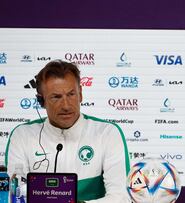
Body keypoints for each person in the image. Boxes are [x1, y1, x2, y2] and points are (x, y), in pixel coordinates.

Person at [5, 60, 131, 203]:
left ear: (81, 94)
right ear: (41, 101)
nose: (66, 105)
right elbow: (17, 197)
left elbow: (121, 197)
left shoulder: (107, 133)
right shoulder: (22, 135)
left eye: (71, 94)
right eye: (56, 97)